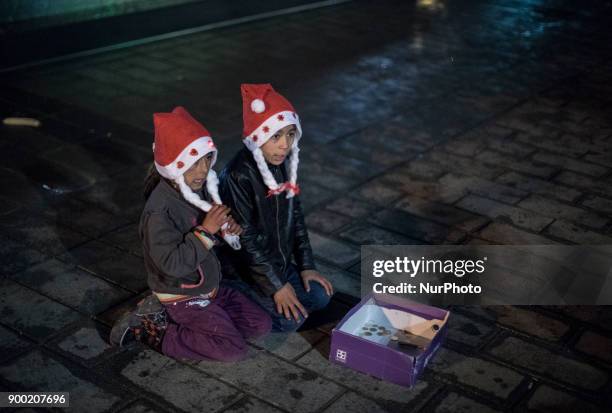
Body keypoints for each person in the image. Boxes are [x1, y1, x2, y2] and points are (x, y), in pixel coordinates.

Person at [110, 106, 271, 361]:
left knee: (260, 325)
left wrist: (226, 230)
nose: (203, 170)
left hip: (208, 287)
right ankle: (154, 330)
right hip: (181, 293)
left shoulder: (199, 189)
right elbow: (171, 264)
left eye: (207, 159)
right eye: (194, 163)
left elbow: (207, 237)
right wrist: (206, 231)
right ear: (175, 165)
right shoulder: (159, 211)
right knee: (232, 350)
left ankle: (196, 319)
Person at [219, 84, 333, 333]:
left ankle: (278, 291)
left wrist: (306, 266)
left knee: (320, 296)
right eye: (276, 136)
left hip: (276, 265)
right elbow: (245, 239)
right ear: (258, 137)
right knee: (289, 321)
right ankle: (225, 299)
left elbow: (296, 216)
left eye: (290, 135)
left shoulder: (280, 163)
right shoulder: (239, 176)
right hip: (246, 272)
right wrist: (276, 285)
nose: (285, 145)